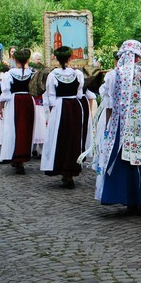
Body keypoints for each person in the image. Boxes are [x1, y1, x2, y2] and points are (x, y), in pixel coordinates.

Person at [94, 40, 141, 213]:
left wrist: (108, 126)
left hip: (124, 118)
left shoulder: (115, 74)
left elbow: (110, 104)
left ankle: (128, 197)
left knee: (125, 158)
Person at [40, 46, 83, 189]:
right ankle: (70, 171)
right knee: (73, 138)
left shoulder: (53, 75)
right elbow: (79, 94)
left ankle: (63, 169)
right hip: (75, 107)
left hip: (60, 107)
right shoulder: (77, 74)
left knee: (60, 137)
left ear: (56, 58)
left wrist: (52, 113)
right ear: (70, 58)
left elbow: (50, 96)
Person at [0, 49, 36, 175]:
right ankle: (22, 156)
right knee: (25, 129)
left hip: (14, 101)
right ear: (28, 60)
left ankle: (16, 157)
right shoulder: (32, 73)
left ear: (14, 59)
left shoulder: (9, 74)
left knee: (13, 128)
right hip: (28, 101)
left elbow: (5, 92)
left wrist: (0, 107)